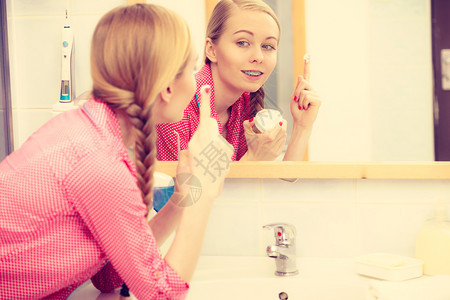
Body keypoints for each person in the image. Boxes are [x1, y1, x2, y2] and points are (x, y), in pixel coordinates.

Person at [0, 4, 232, 299]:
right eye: (192, 67)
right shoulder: (99, 162)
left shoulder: (89, 132)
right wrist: (206, 192)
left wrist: (181, 200)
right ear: (168, 89)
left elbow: (108, 275)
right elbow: (163, 295)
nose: (196, 80)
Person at [156, 0, 321, 162]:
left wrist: (302, 126)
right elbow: (184, 189)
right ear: (211, 49)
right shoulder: (178, 107)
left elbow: (275, 185)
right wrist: (253, 159)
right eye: (242, 43)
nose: (258, 57)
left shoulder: (244, 105)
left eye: (268, 46)